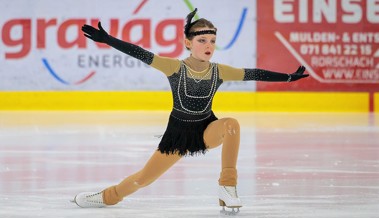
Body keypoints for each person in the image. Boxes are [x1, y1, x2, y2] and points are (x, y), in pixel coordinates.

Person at [73, 8, 308, 214]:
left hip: (207, 129)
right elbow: (141, 53)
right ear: (188, 43)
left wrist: (289, 77)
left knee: (231, 125)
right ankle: (107, 197)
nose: (209, 46)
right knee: (143, 179)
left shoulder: (220, 71)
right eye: (202, 40)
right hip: (179, 134)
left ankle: (227, 187)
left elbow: (254, 73)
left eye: (212, 41)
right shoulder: (174, 67)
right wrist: (108, 39)